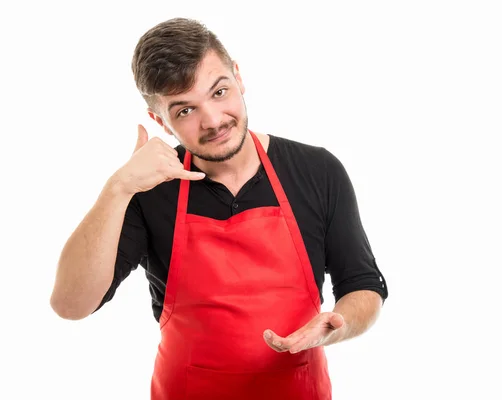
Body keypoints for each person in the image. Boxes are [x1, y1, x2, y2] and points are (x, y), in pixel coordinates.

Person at [50, 17, 388, 400]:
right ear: (159, 120)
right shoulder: (148, 190)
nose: (212, 120)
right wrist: (118, 187)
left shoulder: (316, 170)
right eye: (184, 111)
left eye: (219, 92)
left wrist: (338, 325)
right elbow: (70, 305)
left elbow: (363, 285)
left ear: (238, 78)